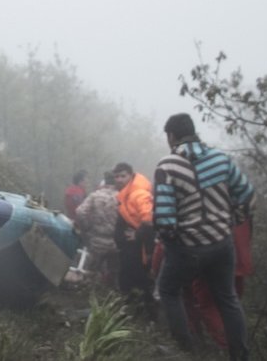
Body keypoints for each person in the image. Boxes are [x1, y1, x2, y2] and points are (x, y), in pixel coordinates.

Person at [153, 113, 254, 361]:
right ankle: (240, 355)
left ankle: (186, 351)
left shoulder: (167, 166)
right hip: (222, 243)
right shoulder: (221, 159)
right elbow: (246, 193)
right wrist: (231, 221)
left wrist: (173, 243)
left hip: (188, 248)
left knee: (168, 290)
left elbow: (164, 220)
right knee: (227, 298)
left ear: (171, 136)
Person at [112, 161, 155, 315]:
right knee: (129, 277)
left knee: (141, 279)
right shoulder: (125, 195)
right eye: (116, 176)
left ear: (131, 176)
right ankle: (132, 308)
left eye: (123, 176)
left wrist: (137, 235)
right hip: (129, 247)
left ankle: (149, 313)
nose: (119, 179)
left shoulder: (138, 193)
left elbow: (148, 220)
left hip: (139, 247)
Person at [73, 171, 119, 285]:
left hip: (96, 240)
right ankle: (109, 298)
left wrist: (86, 228)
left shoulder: (95, 195)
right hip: (115, 241)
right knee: (114, 273)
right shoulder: (122, 196)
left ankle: (87, 296)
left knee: (90, 272)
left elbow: (80, 212)